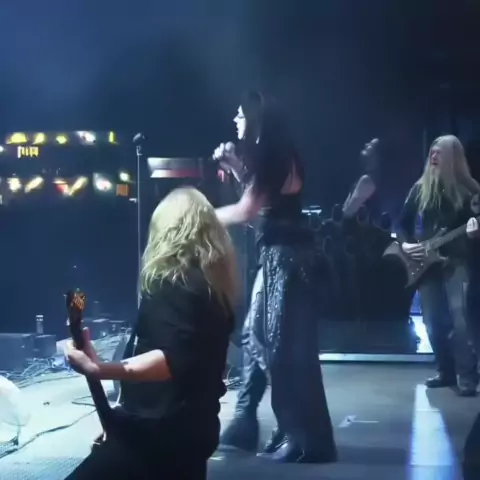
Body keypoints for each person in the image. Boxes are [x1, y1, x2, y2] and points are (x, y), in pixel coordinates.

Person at [64, 187, 237, 480]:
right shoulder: (213, 290)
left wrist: (98, 368)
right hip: (193, 432)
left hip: (159, 435)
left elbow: (171, 360)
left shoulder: (173, 283)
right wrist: (119, 421)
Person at [213, 90, 337, 463]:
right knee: (259, 337)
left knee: (282, 347)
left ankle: (302, 436)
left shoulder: (272, 153)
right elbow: (264, 203)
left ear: (256, 117)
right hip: (280, 256)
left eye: (240, 114)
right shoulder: (275, 152)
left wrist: (198, 215)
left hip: (287, 260)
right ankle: (267, 427)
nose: (235, 120)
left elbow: (248, 210)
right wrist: (237, 167)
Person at [398, 134, 480, 396]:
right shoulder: (419, 189)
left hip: (457, 262)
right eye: (432, 152)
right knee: (433, 322)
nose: (433, 156)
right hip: (428, 265)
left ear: (453, 158)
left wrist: (473, 234)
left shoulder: (470, 191)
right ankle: (445, 371)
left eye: (439, 152)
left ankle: (467, 376)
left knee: (460, 321)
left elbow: (473, 228)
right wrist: (406, 245)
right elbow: (402, 223)